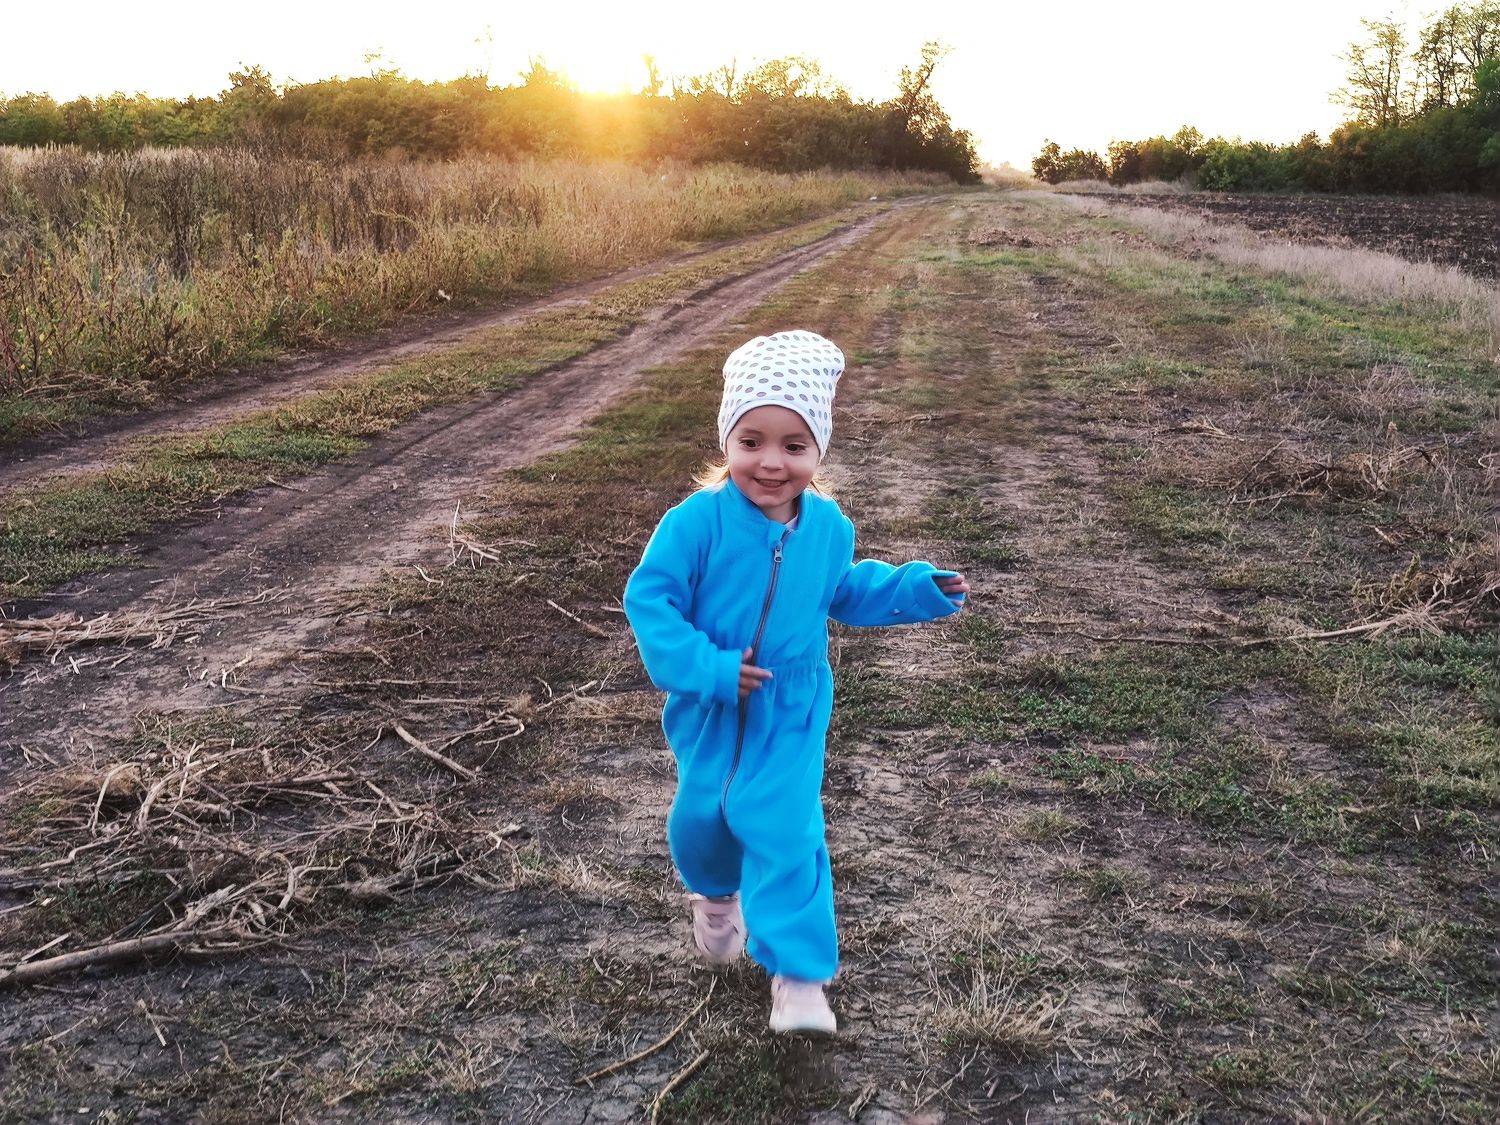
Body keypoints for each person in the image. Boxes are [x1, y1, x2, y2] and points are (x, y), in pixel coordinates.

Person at [622, 329, 970, 1035]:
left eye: (794, 444)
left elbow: (842, 589)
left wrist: (913, 588)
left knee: (784, 826)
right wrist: (708, 668)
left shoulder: (828, 528)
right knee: (702, 821)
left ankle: (801, 977)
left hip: (792, 705)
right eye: (751, 441)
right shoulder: (694, 524)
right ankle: (717, 898)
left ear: (819, 450)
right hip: (711, 705)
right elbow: (650, 599)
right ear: (727, 440)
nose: (771, 462)